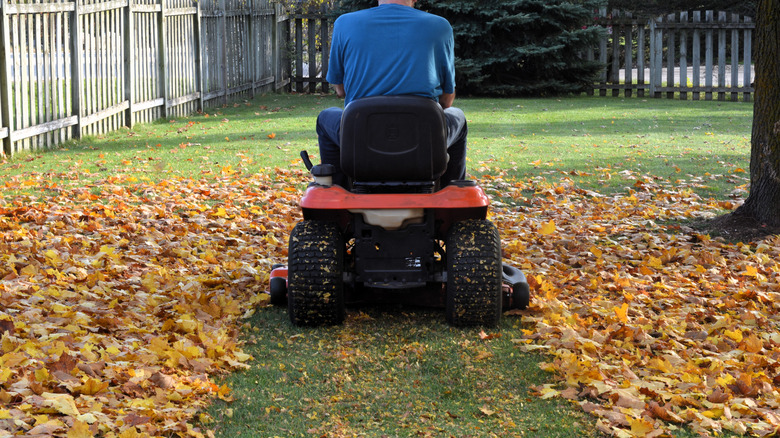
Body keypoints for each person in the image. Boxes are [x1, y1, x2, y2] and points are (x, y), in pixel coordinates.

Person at [316, 0, 467, 188]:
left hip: (362, 135)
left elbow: (340, 89)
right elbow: (447, 100)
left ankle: (336, 194)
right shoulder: (440, 26)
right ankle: (451, 195)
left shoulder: (344, 23)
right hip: (423, 137)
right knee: (458, 116)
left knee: (325, 118)